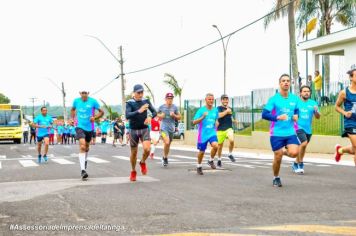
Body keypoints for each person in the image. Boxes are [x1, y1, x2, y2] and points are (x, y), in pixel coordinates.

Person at [262, 74, 300, 187]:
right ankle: (276, 177)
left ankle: (283, 151)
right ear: (280, 83)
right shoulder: (274, 99)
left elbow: (297, 110)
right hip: (276, 133)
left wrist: (296, 116)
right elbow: (264, 114)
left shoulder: (294, 98)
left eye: (288, 81)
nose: (286, 82)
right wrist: (277, 117)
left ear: (290, 83)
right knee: (277, 158)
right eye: (283, 81)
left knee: (294, 153)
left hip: (290, 131)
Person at [284, 85, 320, 174]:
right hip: (297, 127)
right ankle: (298, 163)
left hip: (308, 129)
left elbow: (318, 117)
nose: (306, 93)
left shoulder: (313, 103)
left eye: (308, 91)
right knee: (303, 143)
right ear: (300, 93)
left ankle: (297, 162)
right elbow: (290, 114)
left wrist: (316, 112)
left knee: (303, 147)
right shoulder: (296, 103)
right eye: (304, 91)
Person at [126, 84, 157, 181]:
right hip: (133, 130)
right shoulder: (130, 103)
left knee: (147, 149)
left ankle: (142, 162)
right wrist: (139, 111)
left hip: (144, 129)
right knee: (134, 153)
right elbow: (127, 115)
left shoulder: (146, 101)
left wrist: (150, 117)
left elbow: (154, 112)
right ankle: (133, 171)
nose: (140, 94)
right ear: (134, 93)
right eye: (138, 92)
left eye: (142, 92)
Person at [71, 90, 104, 180]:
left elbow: (102, 112)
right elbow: (73, 109)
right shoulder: (76, 101)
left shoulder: (93, 101)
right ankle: (83, 171)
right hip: (79, 126)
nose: (84, 94)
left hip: (90, 127)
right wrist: (72, 118)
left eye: (86, 93)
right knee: (82, 146)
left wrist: (95, 117)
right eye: (82, 93)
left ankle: (85, 160)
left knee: (86, 147)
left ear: (88, 93)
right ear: (80, 93)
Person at [192, 93, 219, 175]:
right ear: (206, 100)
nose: (211, 101)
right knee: (202, 152)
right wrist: (202, 117)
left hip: (212, 133)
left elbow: (216, 119)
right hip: (203, 135)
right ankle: (199, 166)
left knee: (216, 146)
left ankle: (210, 160)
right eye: (209, 99)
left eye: (212, 99)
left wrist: (216, 124)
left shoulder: (215, 110)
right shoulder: (201, 110)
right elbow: (194, 122)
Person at [334, 66, 356, 167]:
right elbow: (336, 107)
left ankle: (340, 150)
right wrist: (344, 113)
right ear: (351, 78)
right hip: (350, 122)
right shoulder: (344, 92)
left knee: (354, 149)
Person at [157, 92, 181, 166]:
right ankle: (165, 158)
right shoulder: (161, 107)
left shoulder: (175, 107)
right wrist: (161, 115)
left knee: (168, 144)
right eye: (168, 98)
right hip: (163, 128)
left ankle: (165, 157)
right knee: (167, 142)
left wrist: (174, 115)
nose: (170, 100)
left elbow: (180, 117)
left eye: (171, 98)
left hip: (171, 128)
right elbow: (157, 115)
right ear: (165, 99)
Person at [216, 94, 238, 168]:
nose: (225, 101)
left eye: (226, 99)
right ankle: (219, 159)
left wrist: (234, 120)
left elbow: (230, 117)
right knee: (220, 146)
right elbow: (219, 115)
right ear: (221, 100)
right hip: (220, 129)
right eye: (224, 99)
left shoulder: (230, 108)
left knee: (231, 140)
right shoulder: (218, 108)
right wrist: (226, 111)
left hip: (229, 128)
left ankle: (230, 154)